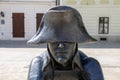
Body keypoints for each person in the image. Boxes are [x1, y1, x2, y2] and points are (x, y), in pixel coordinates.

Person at [27, 6, 104, 80]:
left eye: (67, 40)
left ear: (75, 42)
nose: (61, 46)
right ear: (48, 43)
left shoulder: (88, 65)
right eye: (55, 41)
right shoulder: (39, 65)